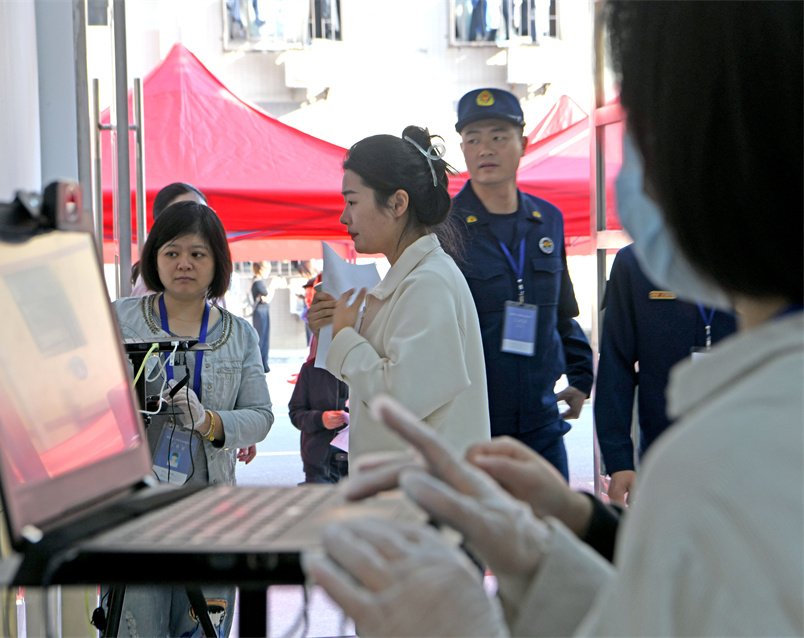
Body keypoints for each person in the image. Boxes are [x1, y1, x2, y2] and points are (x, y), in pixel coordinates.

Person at [305, 2, 803, 636]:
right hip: (496, 432)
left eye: (645, 125)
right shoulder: (452, 233)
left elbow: (565, 319)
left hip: (533, 417)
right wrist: (566, 549)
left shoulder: (724, 464)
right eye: (473, 138)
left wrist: (459, 626)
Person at [112, 201, 274, 637]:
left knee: (202, 629)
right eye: (172, 252)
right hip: (135, 515)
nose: (184, 263)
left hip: (212, 514)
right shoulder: (116, 321)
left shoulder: (239, 333)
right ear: (154, 259)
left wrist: (210, 423)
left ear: (217, 262)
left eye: (198, 254)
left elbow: (261, 416)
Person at [306, 125, 490, 470]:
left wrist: (345, 337)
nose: (345, 216)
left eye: (352, 201)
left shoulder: (428, 283)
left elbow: (401, 399)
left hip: (425, 503)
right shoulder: (412, 279)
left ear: (397, 203)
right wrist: (333, 329)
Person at [450, 85, 594, 479]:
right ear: (462, 148)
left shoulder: (548, 219)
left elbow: (562, 311)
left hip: (542, 421)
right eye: (473, 139)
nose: (485, 149)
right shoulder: (445, 227)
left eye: (498, 136)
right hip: (476, 426)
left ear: (523, 143)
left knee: (552, 533)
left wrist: (582, 377)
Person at [596, 243, 736, 505]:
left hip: (743, 453)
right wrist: (618, 460)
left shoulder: (753, 256)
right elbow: (615, 365)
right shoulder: (637, 262)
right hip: (663, 456)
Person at [288, 335, 349, 483]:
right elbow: (296, 413)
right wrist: (320, 419)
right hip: (319, 462)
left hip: (359, 463)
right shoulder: (311, 369)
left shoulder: (367, 370)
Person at [130, 182, 207, 297]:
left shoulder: (210, 277)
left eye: (203, 213)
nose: (195, 220)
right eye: (184, 215)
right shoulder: (151, 282)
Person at [250, 261, 280, 373]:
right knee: (262, 339)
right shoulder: (258, 282)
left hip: (261, 312)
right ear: (262, 270)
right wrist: (273, 286)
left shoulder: (256, 281)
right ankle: (261, 364)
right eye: (267, 270)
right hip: (261, 313)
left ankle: (263, 364)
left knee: (263, 338)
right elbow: (266, 297)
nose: (268, 273)